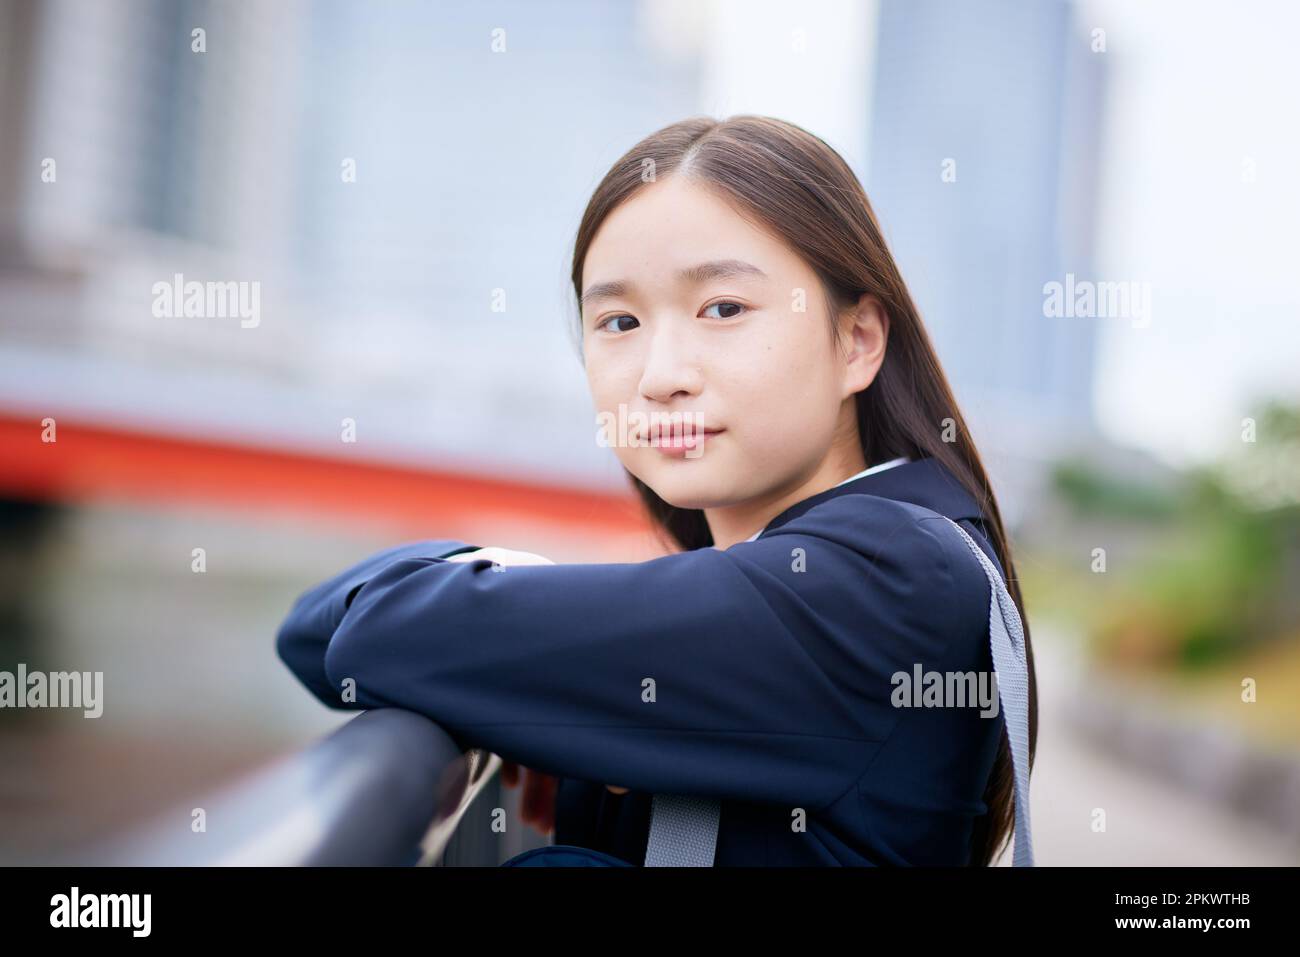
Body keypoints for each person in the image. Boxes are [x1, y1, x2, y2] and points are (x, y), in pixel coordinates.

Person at [276, 114, 1037, 867]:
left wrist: (507, 620)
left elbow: (372, 632)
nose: (661, 374)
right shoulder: (839, 566)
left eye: (723, 309)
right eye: (619, 320)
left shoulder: (886, 580)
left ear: (857, 341)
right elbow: (315, 636)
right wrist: (516, 602)